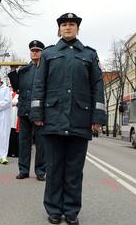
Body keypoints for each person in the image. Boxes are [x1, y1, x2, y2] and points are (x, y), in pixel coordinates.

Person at [31, 13, 106, 225]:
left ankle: (71, 211)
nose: (68, 28)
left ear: (77, 29)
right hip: (52, 118)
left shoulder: (90, 55)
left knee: (74, 170)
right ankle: (54, 210)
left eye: (71, 24)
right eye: (64, 24)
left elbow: (97, 86)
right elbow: (39, 85)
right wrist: (37, 113)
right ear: (59, 29)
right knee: (54, 168)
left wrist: (97, 116)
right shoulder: (48, 54)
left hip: (80, 118)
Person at [8, 40, 46, 181]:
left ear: (42, 52)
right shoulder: (24, 70)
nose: (34, 53)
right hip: (24, 109)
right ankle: (23, 170)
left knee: (41, 143)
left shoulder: (46, 69)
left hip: (40, 112)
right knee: (24, 142)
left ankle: (40, 171)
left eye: (37, 50)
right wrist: (13, 71)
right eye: (32, 51)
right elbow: (16, 86)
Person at [8, 88, 19, 157]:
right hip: (10, 117)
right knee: (11, 135)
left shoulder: (19, 94)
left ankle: (16, 152)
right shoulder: (11, 94)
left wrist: (15, 103)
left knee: (16, 135)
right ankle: (10, 151)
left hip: (17, 117)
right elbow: (9, 102)